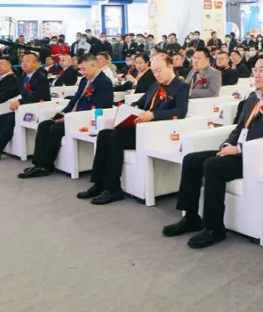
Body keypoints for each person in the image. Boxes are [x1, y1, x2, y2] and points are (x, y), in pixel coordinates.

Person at [162, 54, 263, 248]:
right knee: (191, 159)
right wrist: (227, 145)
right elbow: (239, 128)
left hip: (258, 156)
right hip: (238, 151)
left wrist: (239, 149)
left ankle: (214, 228)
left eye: (262, 70)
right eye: (255, 70)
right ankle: (190, 217)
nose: (256, 74)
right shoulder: (253, 97)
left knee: (213, 165)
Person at [77, 54, 189, 205]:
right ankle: (99, 183)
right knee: (103, 135)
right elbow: (140, 102)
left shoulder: (181, 87)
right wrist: (133, 107)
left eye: (159, 70)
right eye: (154, 71)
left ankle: (113, 188)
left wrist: (153, 115)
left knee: (116, 137)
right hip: (140, 128)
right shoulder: (155, 85)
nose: (156, 74)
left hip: (157, 131)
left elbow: (180, 111)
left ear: (170, 67)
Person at [18, 55, 115, 179]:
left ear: (93, 66)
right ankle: (38, 163)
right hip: (72, 115)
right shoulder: (85, 80)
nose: (82, 72)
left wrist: (70, 117)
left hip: (85, 118)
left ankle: (46, 165)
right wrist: (64, 112)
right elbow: (76, 99)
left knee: (56, 129)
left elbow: (102, 105)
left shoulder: (104, 82)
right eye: (81, 69)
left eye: (84, 69)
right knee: (44, 125)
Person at [0, 53, 51, 163]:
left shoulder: (41, 78)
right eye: (23, 61)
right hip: (24, 109)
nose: (24, 63)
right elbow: (10, 92)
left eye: (27, 61)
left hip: (37, 109)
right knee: (2, 118)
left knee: (10, 119)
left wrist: (20, 101)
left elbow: (42, 97)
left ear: (37, 64)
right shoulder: (23, 78)